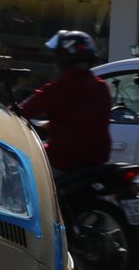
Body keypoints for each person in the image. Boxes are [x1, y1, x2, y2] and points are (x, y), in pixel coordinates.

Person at [16, 30, 112, 174]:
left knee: (18, 175)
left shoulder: (58, 89)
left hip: (63, 163)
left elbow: (21, 112)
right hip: (97, 163)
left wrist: (8, 113)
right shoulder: (102, 87)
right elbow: (82, 120)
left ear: (63, 59)